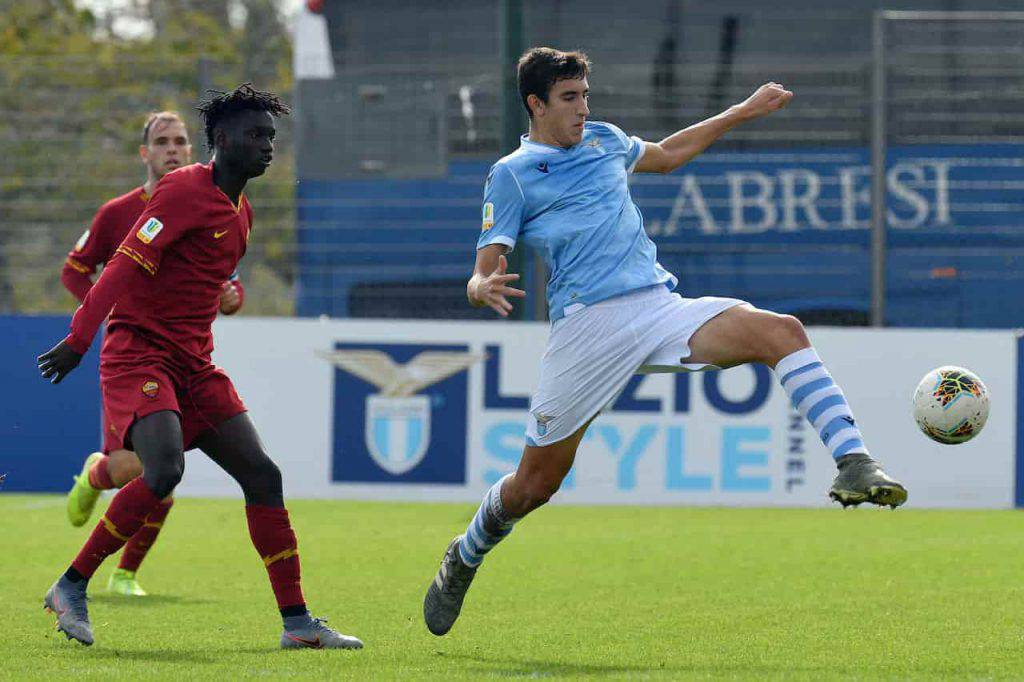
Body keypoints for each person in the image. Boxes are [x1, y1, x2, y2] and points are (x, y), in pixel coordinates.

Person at [423, 47, 908, 637]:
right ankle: (465, 555)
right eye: (570, 99)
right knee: (534, 486)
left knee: (781, 330)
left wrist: (743, 111)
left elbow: (670, 154)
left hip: (656, 307)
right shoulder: (513, 173)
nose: (582, 110)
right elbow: (486, 262)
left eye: (585, 96)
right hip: (586, 331)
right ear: (536, 104)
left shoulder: (603, 140)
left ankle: (853, 461)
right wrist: (480, 285)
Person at [38, 84, 362, 650]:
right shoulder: (181, 191)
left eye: (271, 137)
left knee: (263, 476)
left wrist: (226, 294)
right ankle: (71, 585)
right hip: (139, 352)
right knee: (161, 472)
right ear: (222, 140)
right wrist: (78, 339)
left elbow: (198, 282)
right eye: (256, 135)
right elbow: (118, 269)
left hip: (194, 365)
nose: (267, 147)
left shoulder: (243, 213)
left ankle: (297, 624)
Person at [61, 111, 245, 597]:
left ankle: (125, 574)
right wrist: (103, 308)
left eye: (180, 141)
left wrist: (232, 298)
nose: (172, 149)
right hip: (133, 353)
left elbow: (227, 280)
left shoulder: (219, 204)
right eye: (161, 141)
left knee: (164, 469)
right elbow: (76, 270)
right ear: (145, 153)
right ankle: (95, 473)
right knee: (136, 469)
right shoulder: (117, 212)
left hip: (184, 357)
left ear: (193, 148)